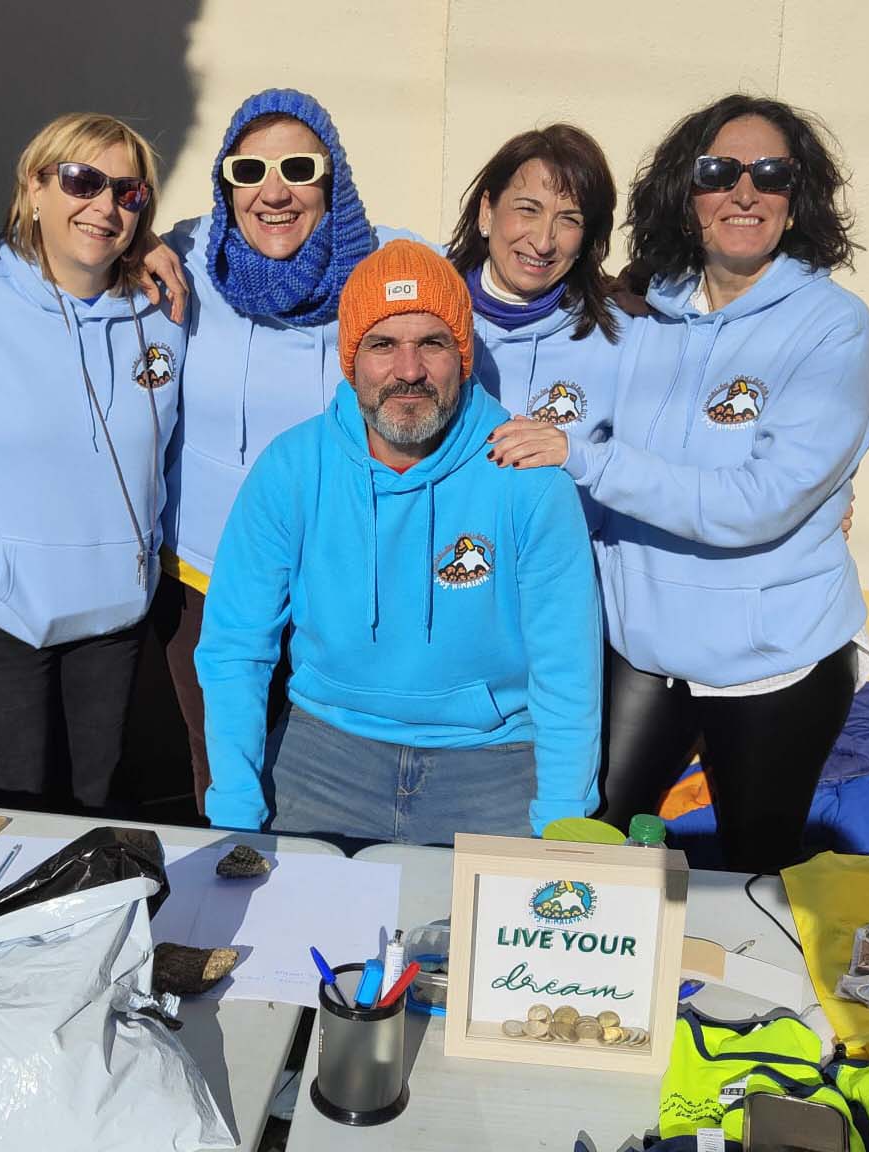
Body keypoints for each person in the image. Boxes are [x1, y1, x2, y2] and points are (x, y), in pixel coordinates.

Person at [490, 94, 869, 874]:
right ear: (685, 191)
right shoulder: (638, 308)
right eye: (718, 171)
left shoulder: (832, 325)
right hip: (641, 650)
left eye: (770, 173)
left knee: (753, 878)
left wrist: (583, 457)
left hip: (774, 665)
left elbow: (757, 503)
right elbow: (500, 291)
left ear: (796, 198)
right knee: (585, 851)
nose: (744, 191)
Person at [197, 241, 601, 844]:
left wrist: (563, 821)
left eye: (432, 344)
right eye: (383, 345)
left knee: (480, 938)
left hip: (491, 759)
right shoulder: (293, 466)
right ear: (351, 360)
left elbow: (567, 667)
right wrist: (234, 801)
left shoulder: (527, 478)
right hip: (326, 749)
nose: (409, 370)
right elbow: (235, 645)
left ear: (462, 357)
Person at [151, 89, 419, 814]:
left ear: (332, 182)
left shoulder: (387, 267)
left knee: (324, 778)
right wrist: (136, 243)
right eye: (249, 172)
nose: (273, 193)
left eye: (299, 169)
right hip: (205, 581)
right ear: (224, 182)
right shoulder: (188, 256)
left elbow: (485, 296)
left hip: (333, 579)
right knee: (222, 771)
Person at [0, 113, 185, 813]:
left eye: (128, 193)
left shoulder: (165, 306)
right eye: (81, 180)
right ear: (35, 186)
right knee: (0, 829)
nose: (105, 205)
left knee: (90, 827)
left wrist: (159, 245)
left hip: (113, 622)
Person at [447, 124, 625, 492]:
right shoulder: (429, 314)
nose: (543, 242)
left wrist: (574, 455)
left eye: (569, 219)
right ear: (486, 211)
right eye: (528, 209)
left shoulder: (617, 338)